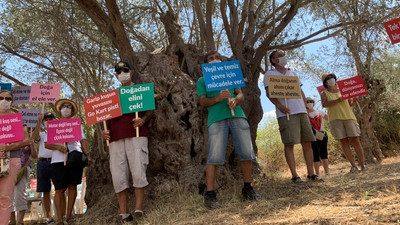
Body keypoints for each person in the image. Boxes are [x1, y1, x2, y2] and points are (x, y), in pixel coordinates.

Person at [196, 51, 260, 210]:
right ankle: (210, 194)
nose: (214, 60)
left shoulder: (231, 75)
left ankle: (248, 188)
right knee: (215, 156)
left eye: (217, 57)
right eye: (210, 59)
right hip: (216, 120)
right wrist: (218, 98)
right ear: (205, 65)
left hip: (237, 116)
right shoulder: (202, 80)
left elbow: (240, 95)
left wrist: (235, 101)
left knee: (246, 153)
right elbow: (202, 101)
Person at [102, 61, 153, 224]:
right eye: (119, 71)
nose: (122, 73)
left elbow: (151, 109)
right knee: (118, 175)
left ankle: (139, 209)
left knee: (138, 170)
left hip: (136, 136)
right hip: (116, 140)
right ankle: (123, 214)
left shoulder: (140, 90)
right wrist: (105, 132)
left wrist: (143, 120)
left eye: (125, 70)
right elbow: (104, 119)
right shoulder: (111, 97)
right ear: (116, 76)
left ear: (131, 73)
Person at [263, 50, 321, 183]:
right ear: (273, 60)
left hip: (301, 112)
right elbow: (269, 94)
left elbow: (300, 91)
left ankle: (311, 174)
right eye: (279, 56)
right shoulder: (269, 74)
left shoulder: (293, 73)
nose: (283, 58)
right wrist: (281, 107)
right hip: (286, 114)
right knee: (289, 143)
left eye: (283, 55)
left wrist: (306, 107)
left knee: (307, 142)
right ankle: (295, 175)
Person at [45, 98, 90, 225]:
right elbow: (47, 144)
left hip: (74, 159)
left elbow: (83, 140)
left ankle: (69, 216)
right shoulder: (53, 125)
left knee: (72, 186)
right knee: (59, 189)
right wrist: (59, 147)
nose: (66, 109)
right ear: (59, 110)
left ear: (72, 111)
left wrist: (87, 155)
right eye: (64, 107)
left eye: (69, 107)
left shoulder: (77, 124)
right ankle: (60, 219)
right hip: (58, 161)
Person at [320, 73, 367, 173]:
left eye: (332, 77)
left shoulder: (343, 90)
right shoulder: (324, 93)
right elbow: (324, 104)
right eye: (328, 78)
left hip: (349, 117)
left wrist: (354, 101)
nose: (331, 79)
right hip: (335, 120)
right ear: (325, 82)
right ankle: (353, 166)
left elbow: (351, 104)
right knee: (344, 141)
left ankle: (363, 165)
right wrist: (337, 100)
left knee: (356, 140)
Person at [0, 90, 31, 225]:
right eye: (1, 98)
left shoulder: (18, 119)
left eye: (8, 98)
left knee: (5, 198)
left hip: (12, 160)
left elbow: (26, 140)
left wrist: (8, 147)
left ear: (12, 101)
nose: (4, 100)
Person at [9, 125, 38, 225]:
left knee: (20, 193)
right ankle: (12, 220)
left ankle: (20, 220)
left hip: (24, 169)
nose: (23, 129)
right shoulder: (11, 138)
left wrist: (32, 144)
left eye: (25, 127)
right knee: (10, 195)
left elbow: (35, 156)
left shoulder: (30, 139)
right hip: (10, 169)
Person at [32, 112, 56, 224]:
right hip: (42, 163)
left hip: (56, 162)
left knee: (60, 189)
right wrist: (38, 121)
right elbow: (34, 137)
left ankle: (61, 214)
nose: (49, 121)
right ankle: (49, 215)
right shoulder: (41, 134)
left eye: (51, 119)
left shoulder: (59, 132)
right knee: (45, 191)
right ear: (43, 123)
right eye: (46, 120)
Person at [306, 97, 330, 176]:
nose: (309, 103)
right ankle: (317, 173)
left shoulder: (319, 112)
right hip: (313, 136)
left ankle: (327, 172)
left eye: (310, 101)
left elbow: (328, 118)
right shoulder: (305, 115)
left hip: (323, 134)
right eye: (307, 102)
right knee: (315, 154)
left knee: (324, 153)